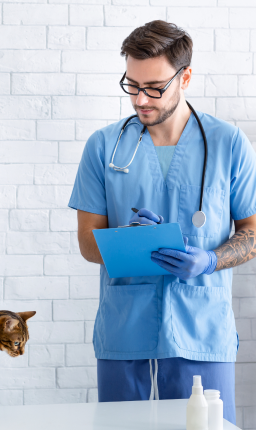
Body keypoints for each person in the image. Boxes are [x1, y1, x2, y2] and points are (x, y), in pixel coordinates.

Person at [69, 20, 256, 425]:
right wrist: (125, 240)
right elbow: (87, 243)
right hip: (125, 326)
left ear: (185, 76)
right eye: (132, 85)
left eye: (154, 87)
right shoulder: (104, 146)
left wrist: (209, 260)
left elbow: (252, 232)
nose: (140, 98)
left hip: (203, 328)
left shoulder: (228, 144)